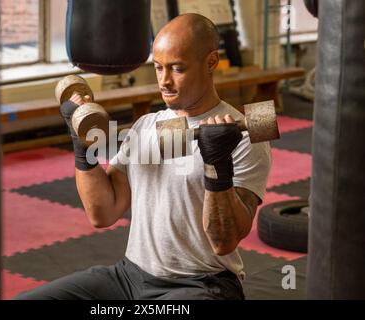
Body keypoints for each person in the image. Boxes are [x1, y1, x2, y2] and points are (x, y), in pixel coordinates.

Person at [16, 13, 271, 300]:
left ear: (211, 62)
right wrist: (80, 143)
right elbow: (103, 213)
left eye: (177, 69)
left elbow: (224, 241)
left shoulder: (244, 136)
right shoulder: (147, 126)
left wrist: (216, 163)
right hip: (129, 278)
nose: (165, 81)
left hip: (202, 285)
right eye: (158, 68)